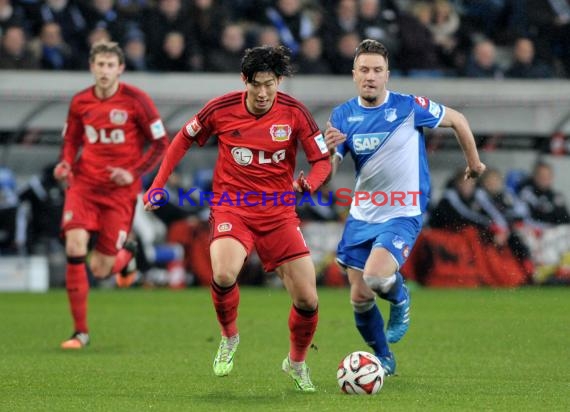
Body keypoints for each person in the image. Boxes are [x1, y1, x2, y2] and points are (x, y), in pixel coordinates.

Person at [143, 45, 331, 392]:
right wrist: (157, 185)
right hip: (233, 206)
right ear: (244, 80)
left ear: (279, 82)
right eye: (256, 84)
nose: (263, 93)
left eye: (270, 84)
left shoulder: (295, 113)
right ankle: (229, 337)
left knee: (308, 299)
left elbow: (322, 161)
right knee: (224, 272)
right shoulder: (221, 108)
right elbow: (182, 139)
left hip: (278, 212)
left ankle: (296, 362)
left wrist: (310, 184)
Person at [324, 39, 486, 375]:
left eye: (377, 70)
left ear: (387, 75)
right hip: (362, 213)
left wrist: (474, 163)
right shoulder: (342, 115)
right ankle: (384, 358)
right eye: (364, 70)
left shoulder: (409, 106)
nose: (370, 76)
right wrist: (324, 159)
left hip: (403, 210)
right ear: (354, 75)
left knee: (376, 275)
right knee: (359, 296)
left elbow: (458, 119)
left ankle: (400, 298)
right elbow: (330, 173)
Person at [53, 41, 169, 349]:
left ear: (120, 68)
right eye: (99, 65)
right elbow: (71, 140)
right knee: (75, 245)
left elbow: (160, 144)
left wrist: (133, 172)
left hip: (119, 192)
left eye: (110, 65)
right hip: (84, 185)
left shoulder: (137, 101)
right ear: (92, 67)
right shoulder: (80, 102)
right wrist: (66, 162)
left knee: (100, 269)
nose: (104, 71)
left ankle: (126, 256)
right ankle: (80, 332)